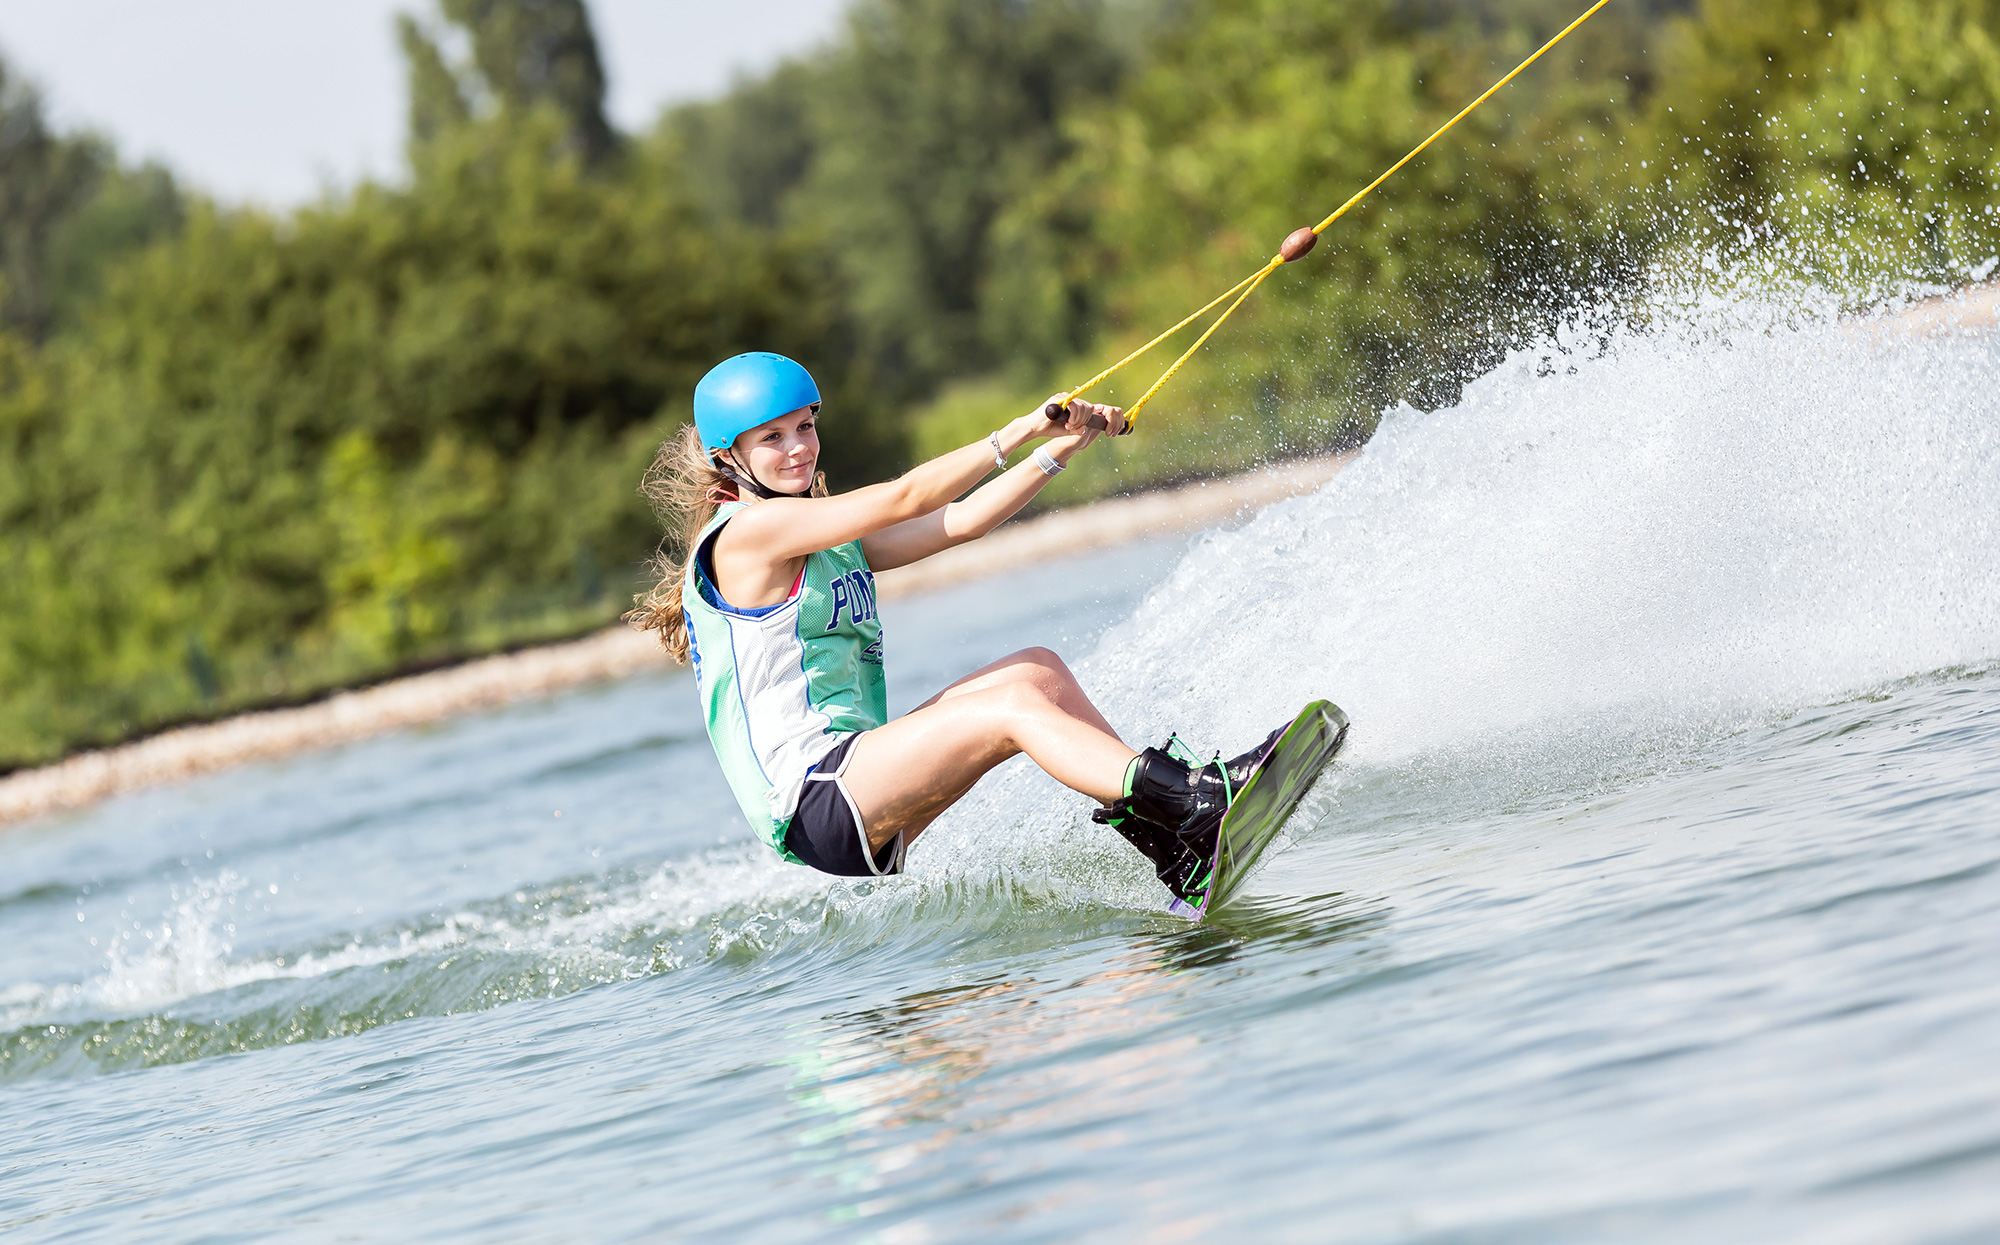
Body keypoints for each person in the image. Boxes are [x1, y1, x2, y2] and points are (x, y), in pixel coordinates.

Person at [626, 352, 1285, 902]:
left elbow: (959, 522)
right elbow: (905, 496)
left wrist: (1059, 450)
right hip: (818, 799)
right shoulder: (750, 532)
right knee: (1010, 707)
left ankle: (1178, 851)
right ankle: (1193, 801)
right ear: (728, 457)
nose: (798, 448)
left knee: (1035, 669)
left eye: (805, 427)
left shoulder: (813, 533)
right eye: (773, 438)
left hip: (859, 779)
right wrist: (1018, 430)